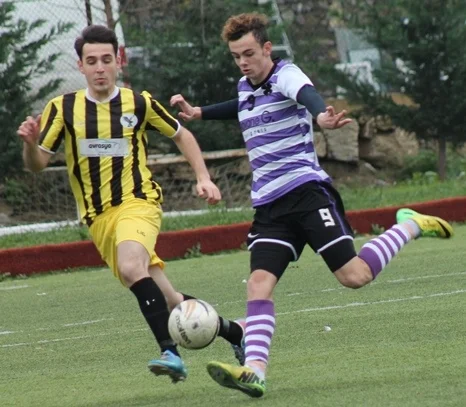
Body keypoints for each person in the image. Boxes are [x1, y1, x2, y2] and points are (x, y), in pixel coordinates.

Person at [170, 12, 454, 397]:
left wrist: (321, 114)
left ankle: (409, 225)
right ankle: (254, 371)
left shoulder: (286, 74)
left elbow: (304, 93)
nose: (243, 62)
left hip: (306, 194)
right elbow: (240, 104)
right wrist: (200, 113)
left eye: (249, 54)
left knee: (354, 276)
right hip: (270, 207)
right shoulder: (245, 87)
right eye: (236, 56)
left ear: (267, 48)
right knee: (258, 284)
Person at [16, 24, 245, 384]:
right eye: (92, 61)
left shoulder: (138, 103)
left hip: (138, 203)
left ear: (118, 60)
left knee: (130, 266)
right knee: (168, 299)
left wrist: (203, 177)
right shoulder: (63, 108)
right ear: (80, 66)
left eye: (106, 59)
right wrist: (30, 144)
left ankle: (170, 353)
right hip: (98, 218)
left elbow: (182, 134)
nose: (100, 68)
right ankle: (236, 332)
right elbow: (37, 164)